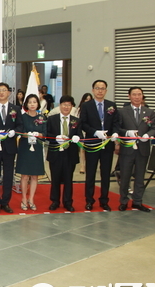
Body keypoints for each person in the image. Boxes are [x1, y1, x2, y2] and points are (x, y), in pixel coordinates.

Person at [115, 87, 155, 212]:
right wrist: (127, 133)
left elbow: (154, 128)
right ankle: (123, 201)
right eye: (134, 94)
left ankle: (137, 201)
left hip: (142, 149)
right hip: (127, 149)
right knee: (125, 176)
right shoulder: (122, 111)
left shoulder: (149, 112)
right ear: (129, 96)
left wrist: (148, 135)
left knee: (140, 177)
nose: (137, 97)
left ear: (142, 96)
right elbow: (117, 128)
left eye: (139, 94)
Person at [79, 80, 119, 211]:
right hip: (92, 143)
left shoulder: (111, 105)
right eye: (97, 88)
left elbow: (116, 122)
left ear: (106, 91)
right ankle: (89, 200)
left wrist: (114, 133)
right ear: (93, 90)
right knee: (90, 173)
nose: (100, 91)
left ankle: (104, 200)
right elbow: (83, 123)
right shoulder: (86, 106)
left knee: (105, 173)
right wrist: (95, 132)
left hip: (107, 144)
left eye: (102, 88)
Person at [0, 82, 24, 213]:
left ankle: (6, 202)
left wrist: (14, 132)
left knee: (8, 176)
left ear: (9, 93)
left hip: (9, 147)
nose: (1, 92)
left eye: (4, 90)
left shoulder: (15, 109)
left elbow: (20, 125)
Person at [46, 95, 82, 212]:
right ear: (60, 105)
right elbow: (47, 134)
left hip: (70, 154)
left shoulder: (76, 120)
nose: (66, 107)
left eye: (69, 105)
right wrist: (56, 137)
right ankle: (55, 201)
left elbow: (80, 135)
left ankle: (68, 202)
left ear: (72, 107)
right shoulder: (52, 119)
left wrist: (77, 137)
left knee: (68, 179)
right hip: (55, 153)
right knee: (55, 179)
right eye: (64, 104)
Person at [16, 94, 46, 211]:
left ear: (38, 104)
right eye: (30, 102)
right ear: (26, 104)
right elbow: (19, 131)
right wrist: (26, 134)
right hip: (25, 148)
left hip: (37, 148)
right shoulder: (22, 117)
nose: (32, 104)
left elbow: (45, 133)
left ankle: (31, 199)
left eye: (34, 102)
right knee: (24, 175)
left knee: (34, 175)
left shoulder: (42, 117)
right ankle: (24, 198)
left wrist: (39, 134)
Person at [76, 92, 93, 173]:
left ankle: (88, 164)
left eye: (89, 99)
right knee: (82, 149)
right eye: (86, 99)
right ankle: (82, 166)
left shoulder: (93, 109)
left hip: (90, 131)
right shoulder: (79, 109)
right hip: (81, 131)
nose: (87, 101)